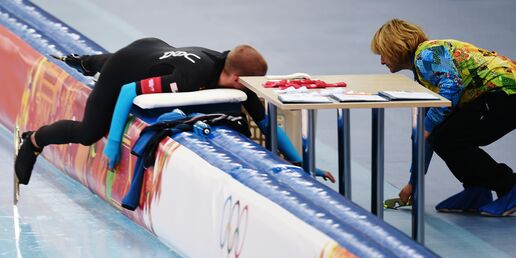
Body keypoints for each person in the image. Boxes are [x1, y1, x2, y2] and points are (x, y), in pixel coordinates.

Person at [15, 38, 335, 185]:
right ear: (236, 78)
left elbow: (267, 123)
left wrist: (302, 165)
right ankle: (33, 141)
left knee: (143, 70)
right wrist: (112, 142)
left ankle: (91, 61)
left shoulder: (238, 76)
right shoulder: (188, 78)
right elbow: (129, 92)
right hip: (126, 67)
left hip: (152, 51)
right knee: (89, 133)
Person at [371, 19, 516, 216]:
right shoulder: (425, 75)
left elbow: (453, 85)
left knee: (449, 138)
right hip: (503, 94)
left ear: (395, 47)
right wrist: (412, 183)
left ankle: (511, 187)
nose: (382, 60)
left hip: (513, 93)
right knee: (440, 136)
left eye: (382, 53)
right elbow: (426, 137)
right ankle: (476, 189)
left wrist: (428, 127)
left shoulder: (428, 53)